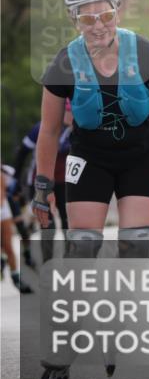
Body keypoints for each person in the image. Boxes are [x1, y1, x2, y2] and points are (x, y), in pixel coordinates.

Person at [32, 0, 149, 379]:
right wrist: (43, 185)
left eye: (105, 15)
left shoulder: (145, 52)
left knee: (135, 246)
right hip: (89, 158)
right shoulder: (64, 62)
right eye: (87, 19)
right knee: (82, 248)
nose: (98, 25)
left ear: (118, 12)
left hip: (139, 158)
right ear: (74, 21)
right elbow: (47, 131)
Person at [11, 102, 74, 263]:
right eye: (70, 113)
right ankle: (48, 263)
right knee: (48, 225)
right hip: (40, 182)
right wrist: (16, 180)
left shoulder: (77, 129)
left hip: (64, 182)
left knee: (70, 222)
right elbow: (22, 152)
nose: (73, 117)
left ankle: (71, 261)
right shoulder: (41, 127)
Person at [1, 163, 33, 293]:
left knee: (8, 246)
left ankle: (16, 278)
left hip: (4, 209)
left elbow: (10, 190)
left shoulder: (6, 171)